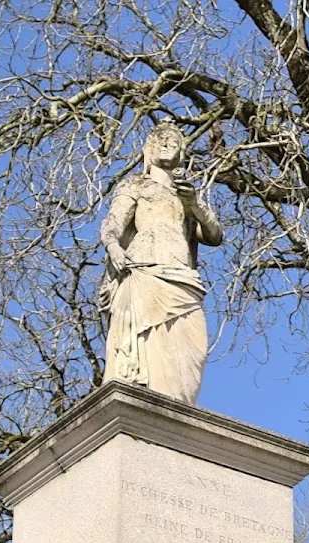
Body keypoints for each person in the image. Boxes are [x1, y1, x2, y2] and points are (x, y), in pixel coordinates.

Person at [99, 122, 222, 406]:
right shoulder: (135, 185)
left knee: (193, 348)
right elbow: (114, 222)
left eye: (174, 141)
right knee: (146, 347)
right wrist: (114, 247)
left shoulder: (186, 194)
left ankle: (178, 412)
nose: (168, 144)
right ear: (149, 149)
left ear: (181, 152)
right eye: (161, 140)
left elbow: (214, 235)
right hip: (145, 270)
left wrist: (194, 203)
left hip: (181, 274)